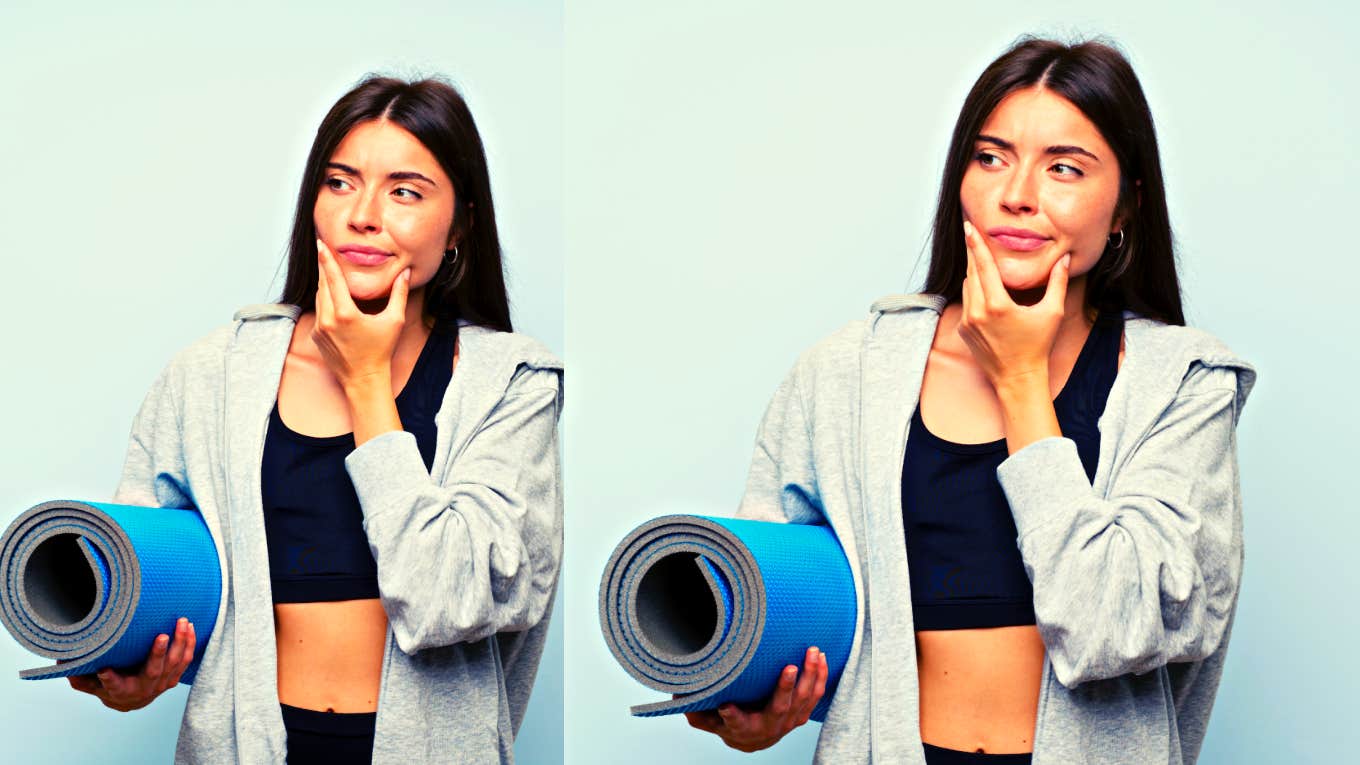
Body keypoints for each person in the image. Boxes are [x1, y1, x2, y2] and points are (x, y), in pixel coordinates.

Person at [683, 37, 1256, 765]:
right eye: (991, 158)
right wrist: (760, 706)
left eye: (1064, 168)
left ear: (1125, 208)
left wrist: (1020, 381)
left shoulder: (1180, 386)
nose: (1017, 193)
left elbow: (1110, 627)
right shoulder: (846, 371)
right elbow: (775, 599)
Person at [64, 75, 564, 764]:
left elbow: (445, 599)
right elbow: (144, 577)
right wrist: (129, 665)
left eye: (406, 191)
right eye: (340, 182)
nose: (364, 214)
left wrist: (364, 380)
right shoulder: (212, 374)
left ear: (462, 224)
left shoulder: (509, 383)